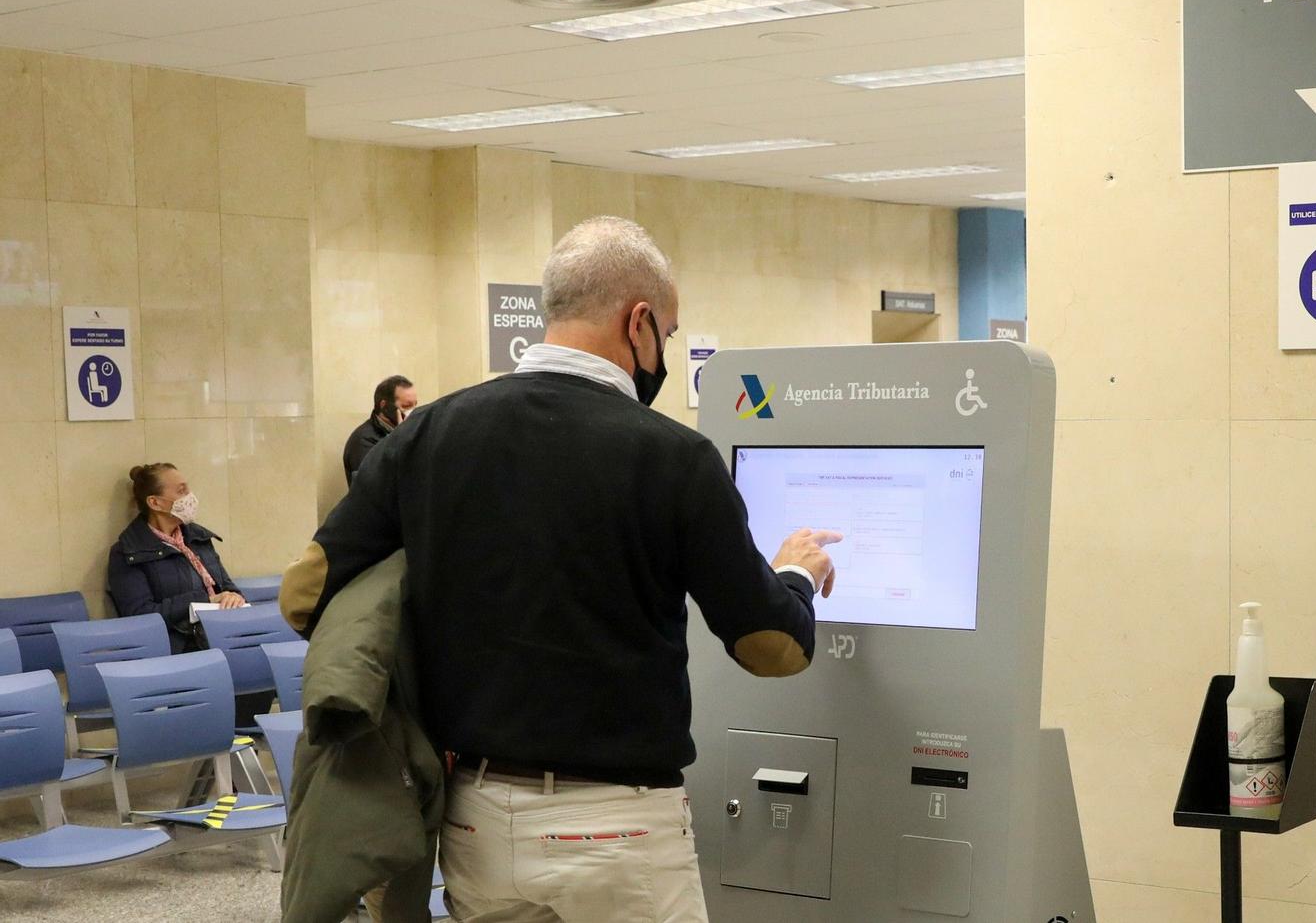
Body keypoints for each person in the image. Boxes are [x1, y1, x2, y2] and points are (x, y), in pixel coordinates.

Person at [283, 216, 839, 923]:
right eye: (666, 334)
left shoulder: (428, 433)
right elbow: (773, 648)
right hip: (622, 825)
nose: (662, 350)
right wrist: (792, 574)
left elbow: (306, 595)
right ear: (638, 322)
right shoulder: (675, 457)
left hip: (478, 817)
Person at [108, 463, 247, 652]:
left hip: (223, 638)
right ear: (155, 502)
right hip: (177, 649)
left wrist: (233, 597)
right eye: (181, 491)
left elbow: (227, 587)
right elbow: (140, 615)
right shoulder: (127, 552)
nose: (190, 496)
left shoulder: (198, 538)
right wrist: (203, 600)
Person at [344, 375, 418, 483]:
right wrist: (401, 436)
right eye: (406, 406)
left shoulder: (411, 430)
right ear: (384, 405)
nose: (412, 412)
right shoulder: (363, 440)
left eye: (415, 406)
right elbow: (378, 483)